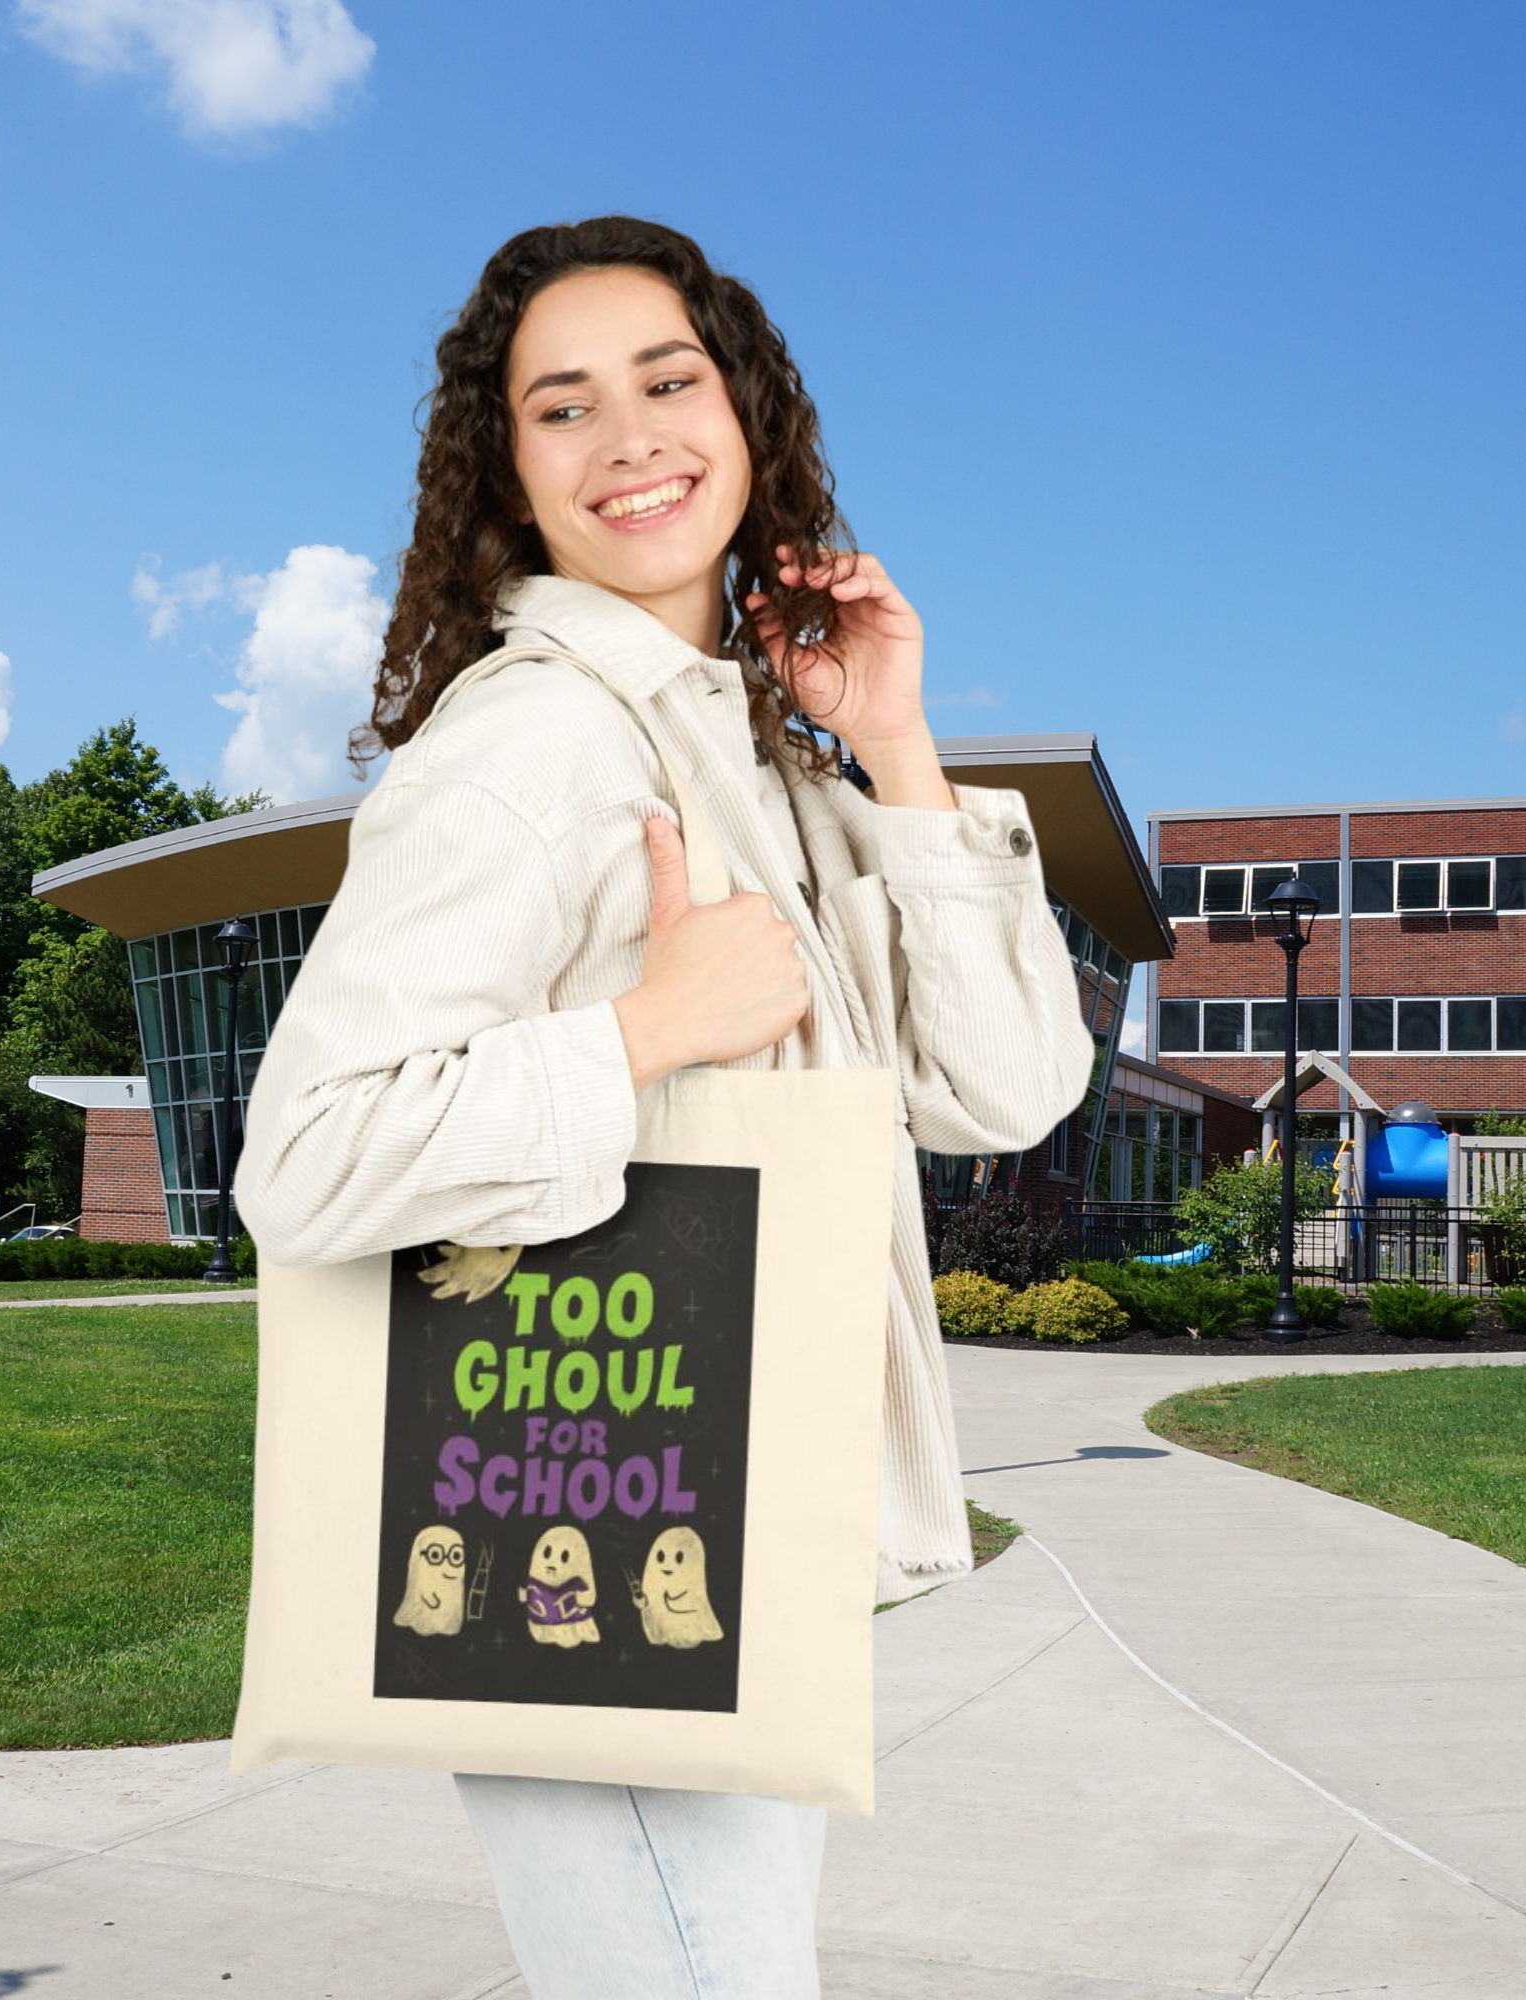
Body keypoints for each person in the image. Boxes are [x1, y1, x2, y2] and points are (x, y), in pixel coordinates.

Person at [234, 216, 1092, 2000]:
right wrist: (642, 1031)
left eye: (668, 380)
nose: (628, 434)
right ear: (512, 481)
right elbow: (302, 1159)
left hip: (720, 1512)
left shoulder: (752, 754)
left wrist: (902, 749)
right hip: (595, 1517)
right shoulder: (531, 744)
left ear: (751, 420)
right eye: (564, 406)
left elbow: (1004, 1086)